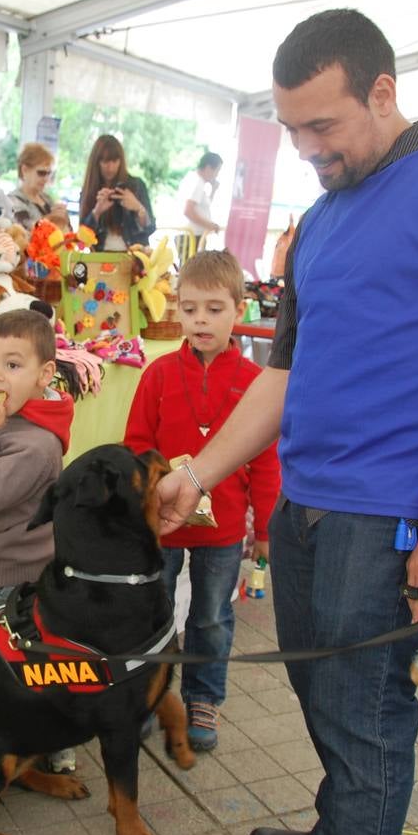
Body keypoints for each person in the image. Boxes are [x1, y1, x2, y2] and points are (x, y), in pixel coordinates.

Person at [153, 9, 418, 835]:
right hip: (307, 503)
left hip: (395, 516)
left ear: (382, 91)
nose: (307, 148)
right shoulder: (322, 220)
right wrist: (200, 472)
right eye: (292, 129)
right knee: (324, 698)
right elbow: (283, 374)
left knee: (365, 713)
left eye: (322, 126)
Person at [122, 250, 280, 752]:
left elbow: (267, 463)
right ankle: (149, 696)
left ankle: (204, 697)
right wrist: (138, 514)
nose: (201, 320)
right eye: (189, 309)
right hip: (163, 527)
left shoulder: (257, 385)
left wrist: (267, 532)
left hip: (226, 531)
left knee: (211, 618)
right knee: (154, 615)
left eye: (214, 309)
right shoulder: (159, 374)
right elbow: (135, 446)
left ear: (239, 310)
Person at [0, 309, 76, 771]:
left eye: (12, 365)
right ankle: (52, 747)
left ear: (45, 374)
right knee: (32, 664)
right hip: (19, 568)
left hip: (2, 574)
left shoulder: (34, 443)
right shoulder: (26, 424)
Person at [78, 135, 155, 251]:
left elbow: (150, 228)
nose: (110, 167)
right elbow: (81, 240)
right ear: (96, 162)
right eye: (104, 161)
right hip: (100, 258)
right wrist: (96, 212)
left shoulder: (136, 185)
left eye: (115, 161)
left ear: (121, 161)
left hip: (134, 258)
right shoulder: (90, 189)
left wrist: (138, 208)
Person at [7, 142, 70, 234]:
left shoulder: (47, 199)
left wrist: (64, 219)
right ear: (24, 170)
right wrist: (53, 219)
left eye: (49, 173)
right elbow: (24, 233)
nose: (46, 179)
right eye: (41, 173)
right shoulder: (13, 201)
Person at [175, 152, 223, 263]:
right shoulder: (196, 182)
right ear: (208, 168)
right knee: (191, 272)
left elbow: (202, 209)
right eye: (217, 170)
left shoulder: (197, 181)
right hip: (190, 236)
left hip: (193, 235)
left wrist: (213, 190)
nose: (217, 175)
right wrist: (210, 225)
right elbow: (188, 210)